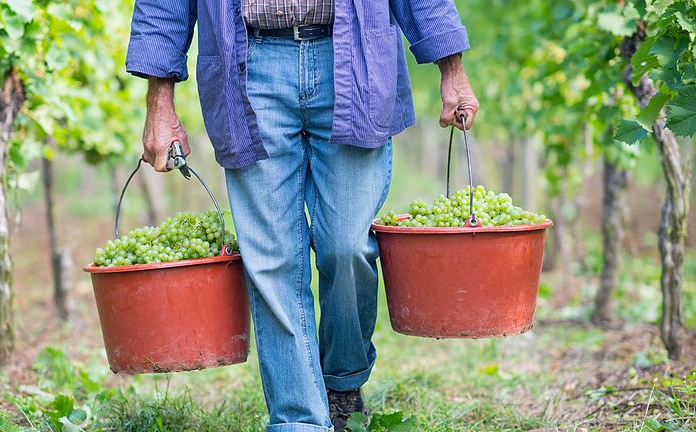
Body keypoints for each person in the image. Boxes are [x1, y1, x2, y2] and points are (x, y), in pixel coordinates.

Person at [126, 0, 479, 430]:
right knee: (272, 259)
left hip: (353, 56)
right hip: (250, 64)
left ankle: (343, 378)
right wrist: (159, 102)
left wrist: (452, 69)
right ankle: (298, 420)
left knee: (346, 247)